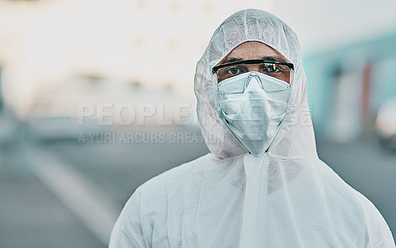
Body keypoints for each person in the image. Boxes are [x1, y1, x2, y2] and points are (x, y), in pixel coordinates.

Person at [109, 9, 395, 247]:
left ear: (297, 86)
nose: (254, 88)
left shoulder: (356, 219)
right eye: (234, 70)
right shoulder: (155, 208)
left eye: (272, 68)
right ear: (210, 87)